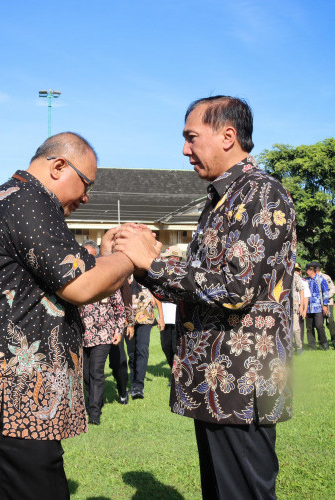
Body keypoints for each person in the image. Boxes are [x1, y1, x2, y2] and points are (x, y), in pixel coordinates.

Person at [0, 133, 152, 499]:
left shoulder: (14, 199)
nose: (86, 196)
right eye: (86, 183)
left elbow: (73, 271)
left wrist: (113, 256)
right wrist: (134, 256)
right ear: (59, 166)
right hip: (4, 409)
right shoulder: (29, 201)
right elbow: (81, 285)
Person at [113, 96, 295, 499]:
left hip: (241, 378)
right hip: (218, 377)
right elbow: (195, 287)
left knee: (242, 492)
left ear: (228, 136)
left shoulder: (261, 193)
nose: (184, 150)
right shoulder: (222, 199)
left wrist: (156, 260)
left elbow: (236, 288)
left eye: (191, 138)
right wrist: (142, 264)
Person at [79, 241, 127, 425]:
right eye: (84, 254)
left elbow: (119, 308)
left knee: (97, 372)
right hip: (82, 335)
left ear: (97, 257)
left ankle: (94, 413)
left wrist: (118, 330)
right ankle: (90, 402)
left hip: (103, 334)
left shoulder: (106, 279)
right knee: (85, 374)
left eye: (91, 255)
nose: (87, 258)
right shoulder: (77, 278)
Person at [127, 277, 163, 399]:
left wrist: (161, 317)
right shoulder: (124, 274)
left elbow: (157, 295)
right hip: (128, 319)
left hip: (145, 318)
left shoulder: (146, 275)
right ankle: (133, 383)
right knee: (131, 353)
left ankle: (138, 386)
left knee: (142, 349)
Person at [159, 247, 184, 370]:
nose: (165, 260)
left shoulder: (184, 275)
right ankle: (173, 371)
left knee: (176, 347)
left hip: (178, 317)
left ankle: (176, 373)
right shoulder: (162, 274)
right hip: (165, 317)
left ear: (175, 258)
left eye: (167, 258)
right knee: (165, 346)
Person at [303, 264, 329, 350]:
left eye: (307, 270)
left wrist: (325, 305)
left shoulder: (321, 279)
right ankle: (312, 345)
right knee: (309, 328)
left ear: (311, 270)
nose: (306, 272)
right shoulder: (305, 280)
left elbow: (325, 293)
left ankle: (324, 343)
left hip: (318, 307)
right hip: (308, 308)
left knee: (319, 326)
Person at [316, 264, 335, 349]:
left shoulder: (326, 277)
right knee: (319, 324)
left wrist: (324, 298)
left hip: (328, 303)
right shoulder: (312, 278)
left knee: (330, 322)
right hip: (317, 305)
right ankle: (322, 343)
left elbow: (333, 289)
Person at [291, 264, 307, 354]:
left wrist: (301, 306)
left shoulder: (295, 277)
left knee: (295, 329)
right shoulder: (280, 274)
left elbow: (301, 290)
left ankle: (299, 346)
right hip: (282, 306)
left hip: (294, 306)